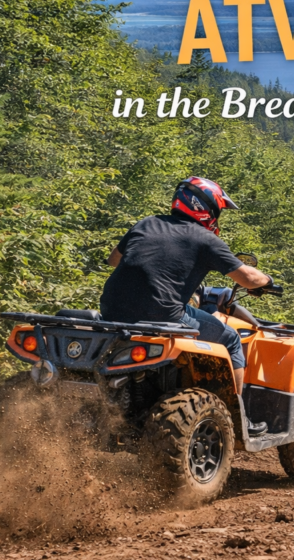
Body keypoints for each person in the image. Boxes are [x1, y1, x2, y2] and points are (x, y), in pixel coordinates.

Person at [100, 176, 274, 436]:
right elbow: (248, 277)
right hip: (162, 316)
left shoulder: (147, 223)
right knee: (231, 339)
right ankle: (238, 419)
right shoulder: (205, 239)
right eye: (217, 211)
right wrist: (267, 281)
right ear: (207, 208)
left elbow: (115, 260)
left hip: (112, 311)